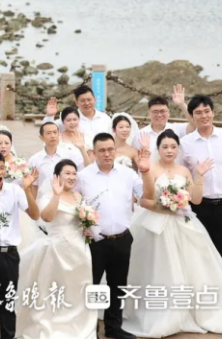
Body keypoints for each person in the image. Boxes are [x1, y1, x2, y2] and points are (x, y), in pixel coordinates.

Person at [124, 129, 222, 336]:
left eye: (173, 147)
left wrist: (199, 175)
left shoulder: (183, 170)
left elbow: (195, 199)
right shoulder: (150, 168)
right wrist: (165, 206)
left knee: (192, 266)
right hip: (156, 225)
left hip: (183, 222)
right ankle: (162, 312)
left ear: (178, 149)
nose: (169, 150)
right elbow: (144, 200)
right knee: (160, 268)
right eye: (165, 147)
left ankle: (192, 310)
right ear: (158, 149)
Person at [76, 132, 146, 339]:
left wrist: (146, 171)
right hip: (96, 241)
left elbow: (145, 195)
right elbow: (74, 203)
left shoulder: (127, 174)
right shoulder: (83, 176)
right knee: (94, 286)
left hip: (122, 238)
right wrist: (81, 224)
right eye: (102, 151)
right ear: (93, 152)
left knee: (118, 284)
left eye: (110, 149)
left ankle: (114, 328)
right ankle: (91, 330)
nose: (106, 154)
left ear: (115, 150)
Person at [16, 161, 96, 339]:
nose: (72, 177)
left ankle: (79, 326)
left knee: (78, 289)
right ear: (57, 177)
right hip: (58, 251)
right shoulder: (49, 196)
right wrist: (57, 195)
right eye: (67, 173)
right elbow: (46, 217)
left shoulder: (77, 195)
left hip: (80, 250)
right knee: (56, 289)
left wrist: (86, 226)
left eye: (74, 173)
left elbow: (81, 218)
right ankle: (53, 327)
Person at [0, 152, 40, 339]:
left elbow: (35, 215)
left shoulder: (15, 191)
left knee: (8, 300)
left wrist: (27, 190)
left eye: (2, 168)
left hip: (10, 254)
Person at [181, 95, 222, 259]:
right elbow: (180, 174)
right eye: (198, 112)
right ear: (192, 116)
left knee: (219, 253)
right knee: (198, 255)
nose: (204, 116)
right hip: (198, 207)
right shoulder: (186, 143)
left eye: (207, 111)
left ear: (213, 112)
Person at [133, 86, 196, 160]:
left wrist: (182, 105)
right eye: (155, 112)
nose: (159, 115)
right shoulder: (140, 134)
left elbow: (195, 125)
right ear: (149, 113)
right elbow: (135, 159)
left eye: (162, 111)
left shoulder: (177, 129)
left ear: (168, 112)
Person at [29, 122, 84, 199]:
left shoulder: (69, 155)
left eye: (55, 132)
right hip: (44, 199)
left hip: (66, 199)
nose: (53, 136)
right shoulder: (34, 160)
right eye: (48, 133)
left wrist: (82, 149)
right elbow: (34, 185)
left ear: (59, 135)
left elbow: (84, 170)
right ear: (41, 137)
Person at [44, 86, 113, 141]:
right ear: (76, 103)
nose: (87, 103)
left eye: (89, 100)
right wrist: (50, 116)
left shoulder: (105, 118)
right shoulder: (71, 118)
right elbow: (48, 130)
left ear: (94, 100)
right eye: (83, 100)